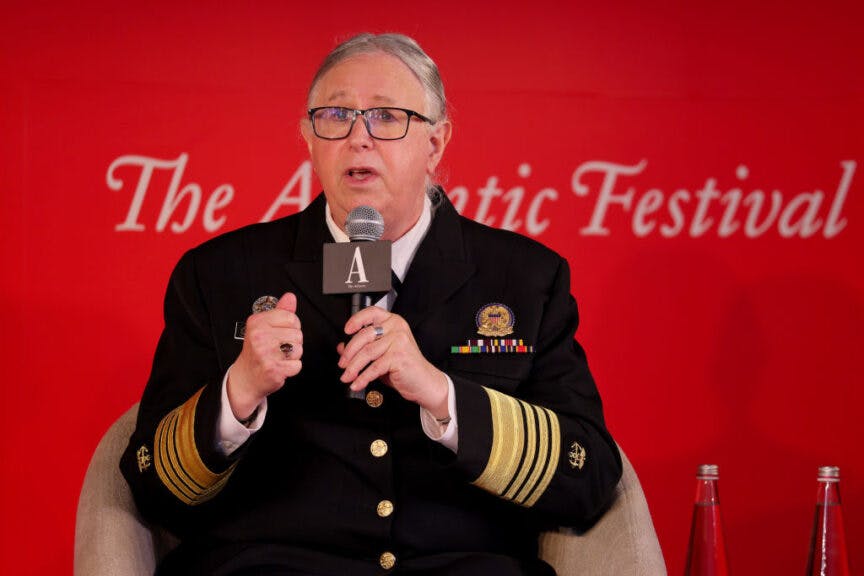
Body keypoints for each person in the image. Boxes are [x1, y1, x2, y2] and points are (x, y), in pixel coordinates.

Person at [121, 32, 622, 576]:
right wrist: (237, 395)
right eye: (335, 116)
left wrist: (442, 395)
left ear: (435, 144)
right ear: (310, 138)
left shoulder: (526, 278)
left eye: (387, 117)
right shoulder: (218, 273)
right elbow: (150, 488)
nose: (359, 138)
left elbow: (589, 475)